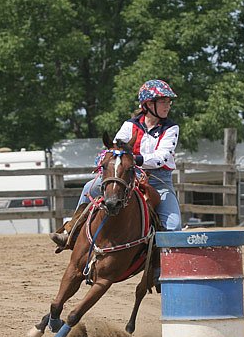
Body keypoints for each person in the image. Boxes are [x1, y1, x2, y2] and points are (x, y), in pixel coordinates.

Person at [50, 79, 182, 249]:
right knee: (90, 187)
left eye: (168, 102)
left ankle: (160, 270)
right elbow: (114, 147)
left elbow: (162, 157)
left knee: (173, 224)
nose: (168, 106)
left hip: (158, 180)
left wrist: (134, 160)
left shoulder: (171, 128)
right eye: (163, 101)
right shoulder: (129, 125)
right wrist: (105, 160)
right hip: (125, 175)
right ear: (149, 104)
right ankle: (71, 232)